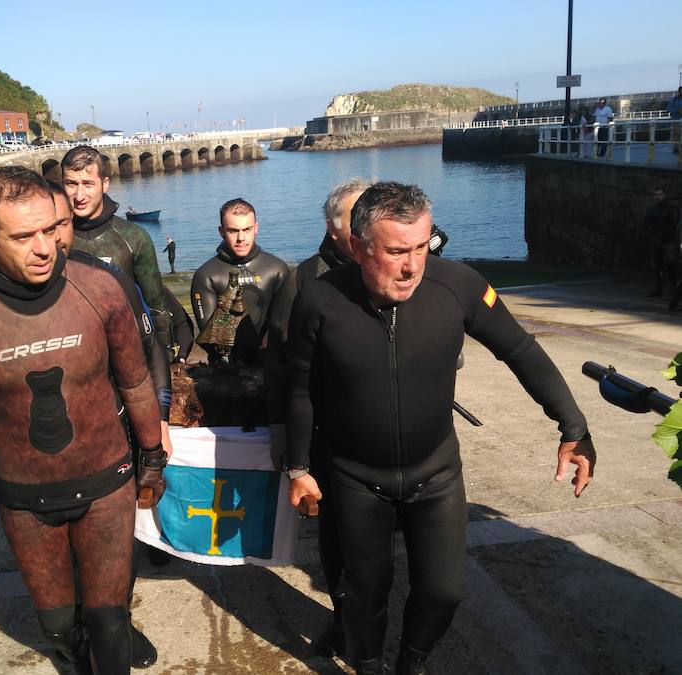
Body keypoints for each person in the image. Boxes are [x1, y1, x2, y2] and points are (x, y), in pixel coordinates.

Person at [284, 182, 596, 675]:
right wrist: (298, 467)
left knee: (444, 592)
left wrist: (573, 427)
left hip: (436, 473)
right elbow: (299, 387)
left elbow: (520, 351)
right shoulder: (319, 301)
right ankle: (367, 667)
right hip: (355, 476)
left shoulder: (459, 285)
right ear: (360, 246)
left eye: (420, 247)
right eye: (395, 252)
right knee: (364, 591)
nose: (411, 266)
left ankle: (412, 662)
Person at [0, 166, 167, 674]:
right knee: (57, 625)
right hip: (28, 503)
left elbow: (136, 380)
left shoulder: (101, 289)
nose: (44, 248)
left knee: (109, 620)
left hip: (107, 485)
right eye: (23, 236)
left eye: (50, 229)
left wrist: (153, 459)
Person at [264, 178, 370, 658]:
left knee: (376, 539)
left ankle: (363, 615)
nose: (369, 224)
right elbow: (279, 362)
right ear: (333, 227)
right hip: (326, 432)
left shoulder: (388, 270)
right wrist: (282, 432)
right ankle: (345, 618)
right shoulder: (303, 279)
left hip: (382, 430)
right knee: (336, 536)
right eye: (357, 217)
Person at [60, 146, 171, 352]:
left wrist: (164, 355)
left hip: (126, 349)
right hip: (71, 349)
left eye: (88, 184)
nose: (79, 194)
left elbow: (156, 306)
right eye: (71, 184)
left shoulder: (134, 238)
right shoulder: (52, 237)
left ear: (105, 184)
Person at [190, 198, 289, 356]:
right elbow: (208, 335)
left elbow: (286, 322)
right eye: (233, 231)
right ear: (221, 231)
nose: (241, 238)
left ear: (256, 228)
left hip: (270, 359)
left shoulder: (277, 269)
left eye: (247, 229)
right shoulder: (206, 275)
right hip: (225, 367)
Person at [643, 187, 680, 298]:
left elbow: (674, 226)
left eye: (660, 194)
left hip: (669, 241)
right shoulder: (651, 209)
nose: (657, 197)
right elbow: (646, 225)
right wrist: (650, 238)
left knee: (671, 265)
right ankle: (658, 290)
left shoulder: (672, 209)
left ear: (665, 195)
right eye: (655, 195)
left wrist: (661, 237)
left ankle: (674, 290)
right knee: (658, 266)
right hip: (656, 240)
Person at [667, 87, 682, 153]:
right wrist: (676, 111)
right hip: (676, 119)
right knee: (677, 133)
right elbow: (668, 109)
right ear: (679, 92)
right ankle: (676, 147)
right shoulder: (674, 100)